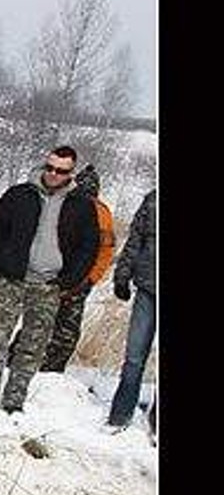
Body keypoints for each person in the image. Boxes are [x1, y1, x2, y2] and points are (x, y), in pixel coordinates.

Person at [0, 145, 100, 414]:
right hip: (13, 280)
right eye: (50, 168)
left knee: (32, 345)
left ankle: (14, 401)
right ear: (44, 165)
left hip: (48, 286)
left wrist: (69, 280)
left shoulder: (82, 205)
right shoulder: (20, 195)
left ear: (70, 172)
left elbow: (90, 247)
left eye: (61, 171)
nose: (53, 174)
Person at [36, 175, 115, 371]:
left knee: (39, 321)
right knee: (66, 328)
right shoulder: (101, 212)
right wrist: (91, 279)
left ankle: (18, 360)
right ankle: (51, 370)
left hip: (58, 276)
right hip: (74, 279)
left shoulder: (62, 202)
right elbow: (106, 252)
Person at [106, 188, 158, 439]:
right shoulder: (153, 199)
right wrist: (122, 276)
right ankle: (119, 416)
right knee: (134, 356)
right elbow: (135, 240)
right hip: (147, 288)